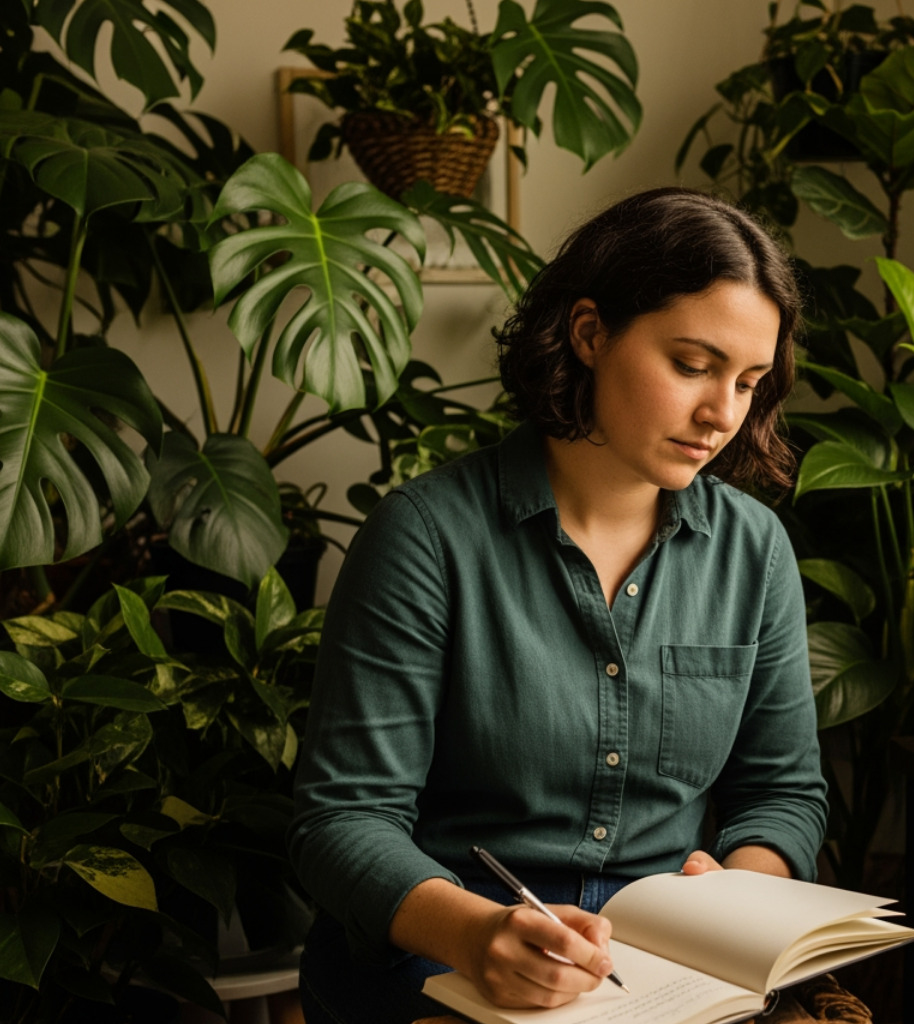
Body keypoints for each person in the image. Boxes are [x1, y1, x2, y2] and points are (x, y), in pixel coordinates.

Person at [288, 187, 830, 1023]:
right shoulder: (426, 537)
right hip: (441, 953)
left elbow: (783, 792)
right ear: (589, 333)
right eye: (693, 366)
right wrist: (478, 935)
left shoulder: (752, 550)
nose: (722, 413)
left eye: (749, 383)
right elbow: (343, 820)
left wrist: (734, 895)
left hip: (661, 968)